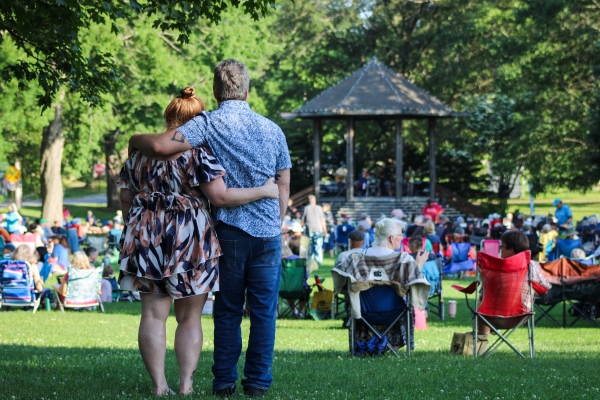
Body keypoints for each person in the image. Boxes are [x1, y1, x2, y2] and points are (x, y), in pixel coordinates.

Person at [128, 59, 291, 398]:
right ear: (247, 91)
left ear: (216, 92)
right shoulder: (273, 129)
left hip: (227, 230)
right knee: (264, 312)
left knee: (228, 311)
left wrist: (134, 138)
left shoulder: (208, 124)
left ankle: (223, 382)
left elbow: (159, 149)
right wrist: (276, 221)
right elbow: (284, 184)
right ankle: (258, 383)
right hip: (265, 233)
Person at [476, 231, 551, 345]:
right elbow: (545, 288)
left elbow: (482, 294)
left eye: (502, 246)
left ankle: (481, 342)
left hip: (489, 316)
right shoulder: (531, 265)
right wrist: (531, 291)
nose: (500, 249)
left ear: (511, 250)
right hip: (521, 315)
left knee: (481, 301)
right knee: (530, 288)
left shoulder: (493, 267)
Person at [301, 195, 327, 266]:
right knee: (318, 245)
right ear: (314, 201)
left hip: (309, 229)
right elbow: (322, 219)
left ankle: (310, 260)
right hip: (318, 229)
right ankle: (319, 261)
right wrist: (325, 230)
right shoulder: (319, 208)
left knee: (310, 246)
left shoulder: (306, 208)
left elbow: (303, 220)